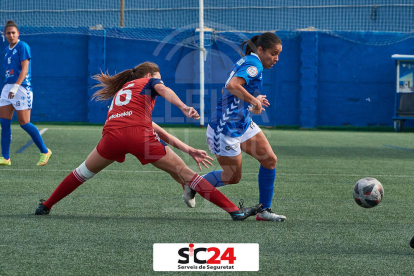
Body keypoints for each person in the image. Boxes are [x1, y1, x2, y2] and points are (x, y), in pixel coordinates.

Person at [35, 62, 262, 220]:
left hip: (112, 136)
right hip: (138, 136)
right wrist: (183, 106)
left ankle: (46, 205)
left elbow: (155, 129)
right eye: (158, 76)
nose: (160, 80)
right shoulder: (148, 83)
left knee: (81, 173)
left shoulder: (124, 93)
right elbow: (164, 90)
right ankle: (234, 211)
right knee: (187, 175)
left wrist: (187, 148)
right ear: (149, 76)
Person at [182, 32, 286, 222]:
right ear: (260, 50)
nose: (276, 59)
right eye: (273, 53)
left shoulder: (250, 62)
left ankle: (264, 211)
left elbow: (229, 92)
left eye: (278, 54)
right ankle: (193, 184)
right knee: (232, 177)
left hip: (242, 123)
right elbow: (231, 86)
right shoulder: (253, 65)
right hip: (225, 129)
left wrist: (252, 102)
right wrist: (254, 100)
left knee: (270, 160)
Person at [0, 20, 51, 166]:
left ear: (18, 34)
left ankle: (45, 151)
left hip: (21, 88)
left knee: (24, 123)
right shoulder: (6, 50)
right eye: (8, 33)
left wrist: (15, 87)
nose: (11, 35)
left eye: (13, 33)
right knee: (4, 122)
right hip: (7, 88)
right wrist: (7, 89)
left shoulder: (23, 46)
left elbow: (24, 69)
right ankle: (5, 157)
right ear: (5, 35)